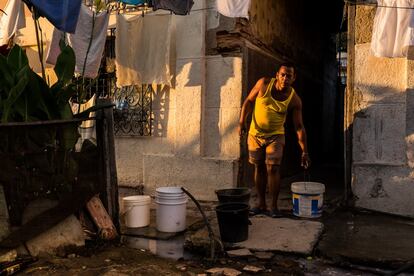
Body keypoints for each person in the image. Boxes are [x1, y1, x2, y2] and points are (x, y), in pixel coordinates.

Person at [238, 62, 311, 218]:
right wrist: (242, 122)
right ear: (277, 75)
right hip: (255, 134)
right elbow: (249, 101)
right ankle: (260, 203)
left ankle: (273, 206)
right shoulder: (263, 83)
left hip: (276, 136)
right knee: (259, 167)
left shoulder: (294, 99)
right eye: (283, 74)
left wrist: (304, 151)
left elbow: (299, 126)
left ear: (294, 78)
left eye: (289, 76)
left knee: (273, 168)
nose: (285, 78)